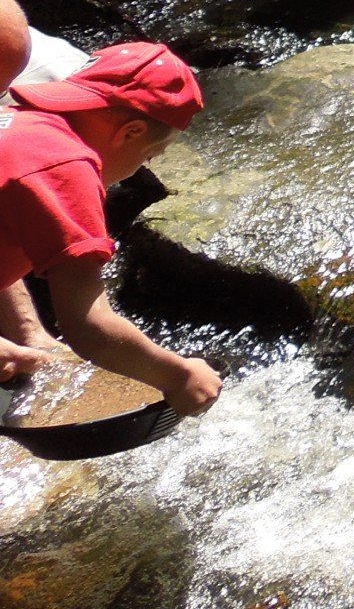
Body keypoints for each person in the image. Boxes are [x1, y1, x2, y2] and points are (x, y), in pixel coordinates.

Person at [0, 41, 221, 410]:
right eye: (150, 155)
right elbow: (89, 328)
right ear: (131, 132)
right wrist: (178, 375)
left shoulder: (19, 123)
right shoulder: (64, 168)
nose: (141, 167)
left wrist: (28, 335)